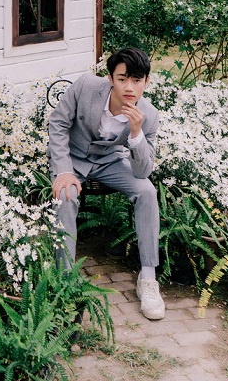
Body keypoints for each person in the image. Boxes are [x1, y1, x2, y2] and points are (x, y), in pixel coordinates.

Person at [48, 47, 165, 320]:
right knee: (65, 196)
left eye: (137, 80)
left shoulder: (149, 114)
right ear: (110, 78)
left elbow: (143, 171)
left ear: (147, 82)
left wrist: (136, 133)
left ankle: (148, 278)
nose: (129, 87)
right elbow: (58, 123)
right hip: (73, 158)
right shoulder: (85, 86)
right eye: (122, 79)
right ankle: (65, 281)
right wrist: (63, 170)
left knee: (147, 191)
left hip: (109, 161)